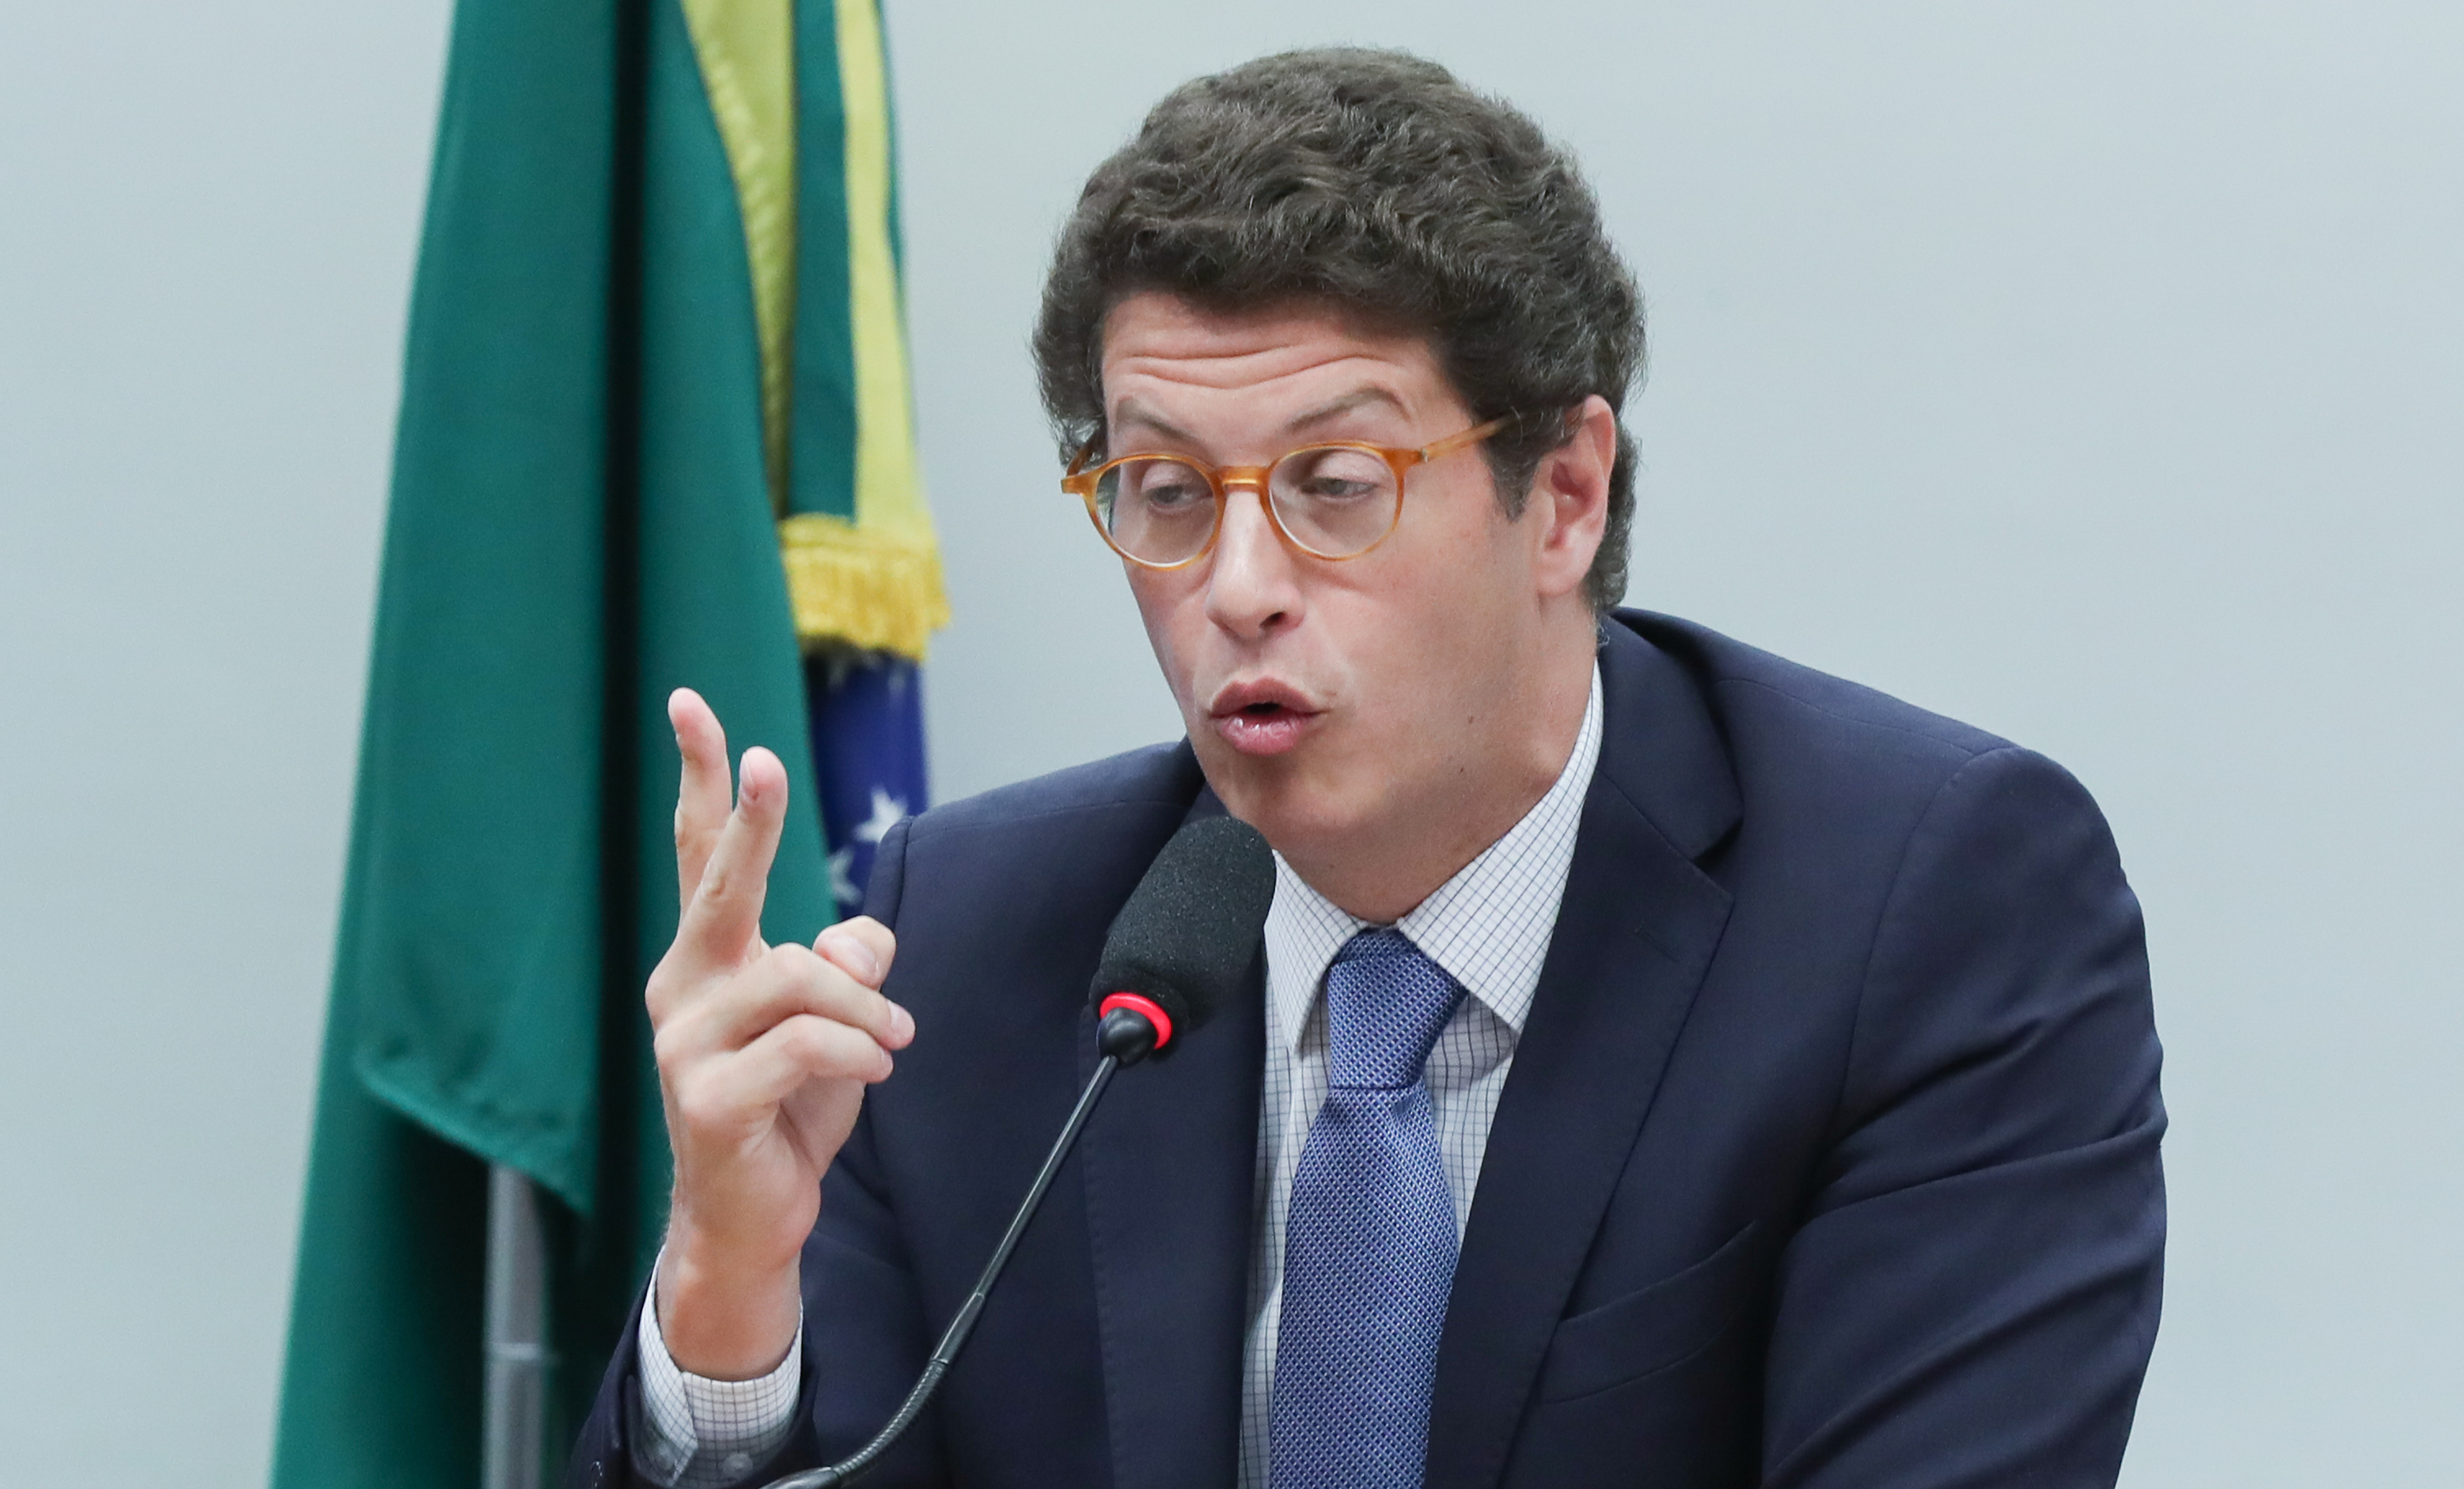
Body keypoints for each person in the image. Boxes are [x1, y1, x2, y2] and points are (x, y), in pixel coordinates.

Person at [572, 47, 2164, 1489]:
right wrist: (727, 1295)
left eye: (1335, 483)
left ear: (1563, 495)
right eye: (1164, 490)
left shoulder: (1922, 910)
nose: (1237, 586)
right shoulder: (973, 944)